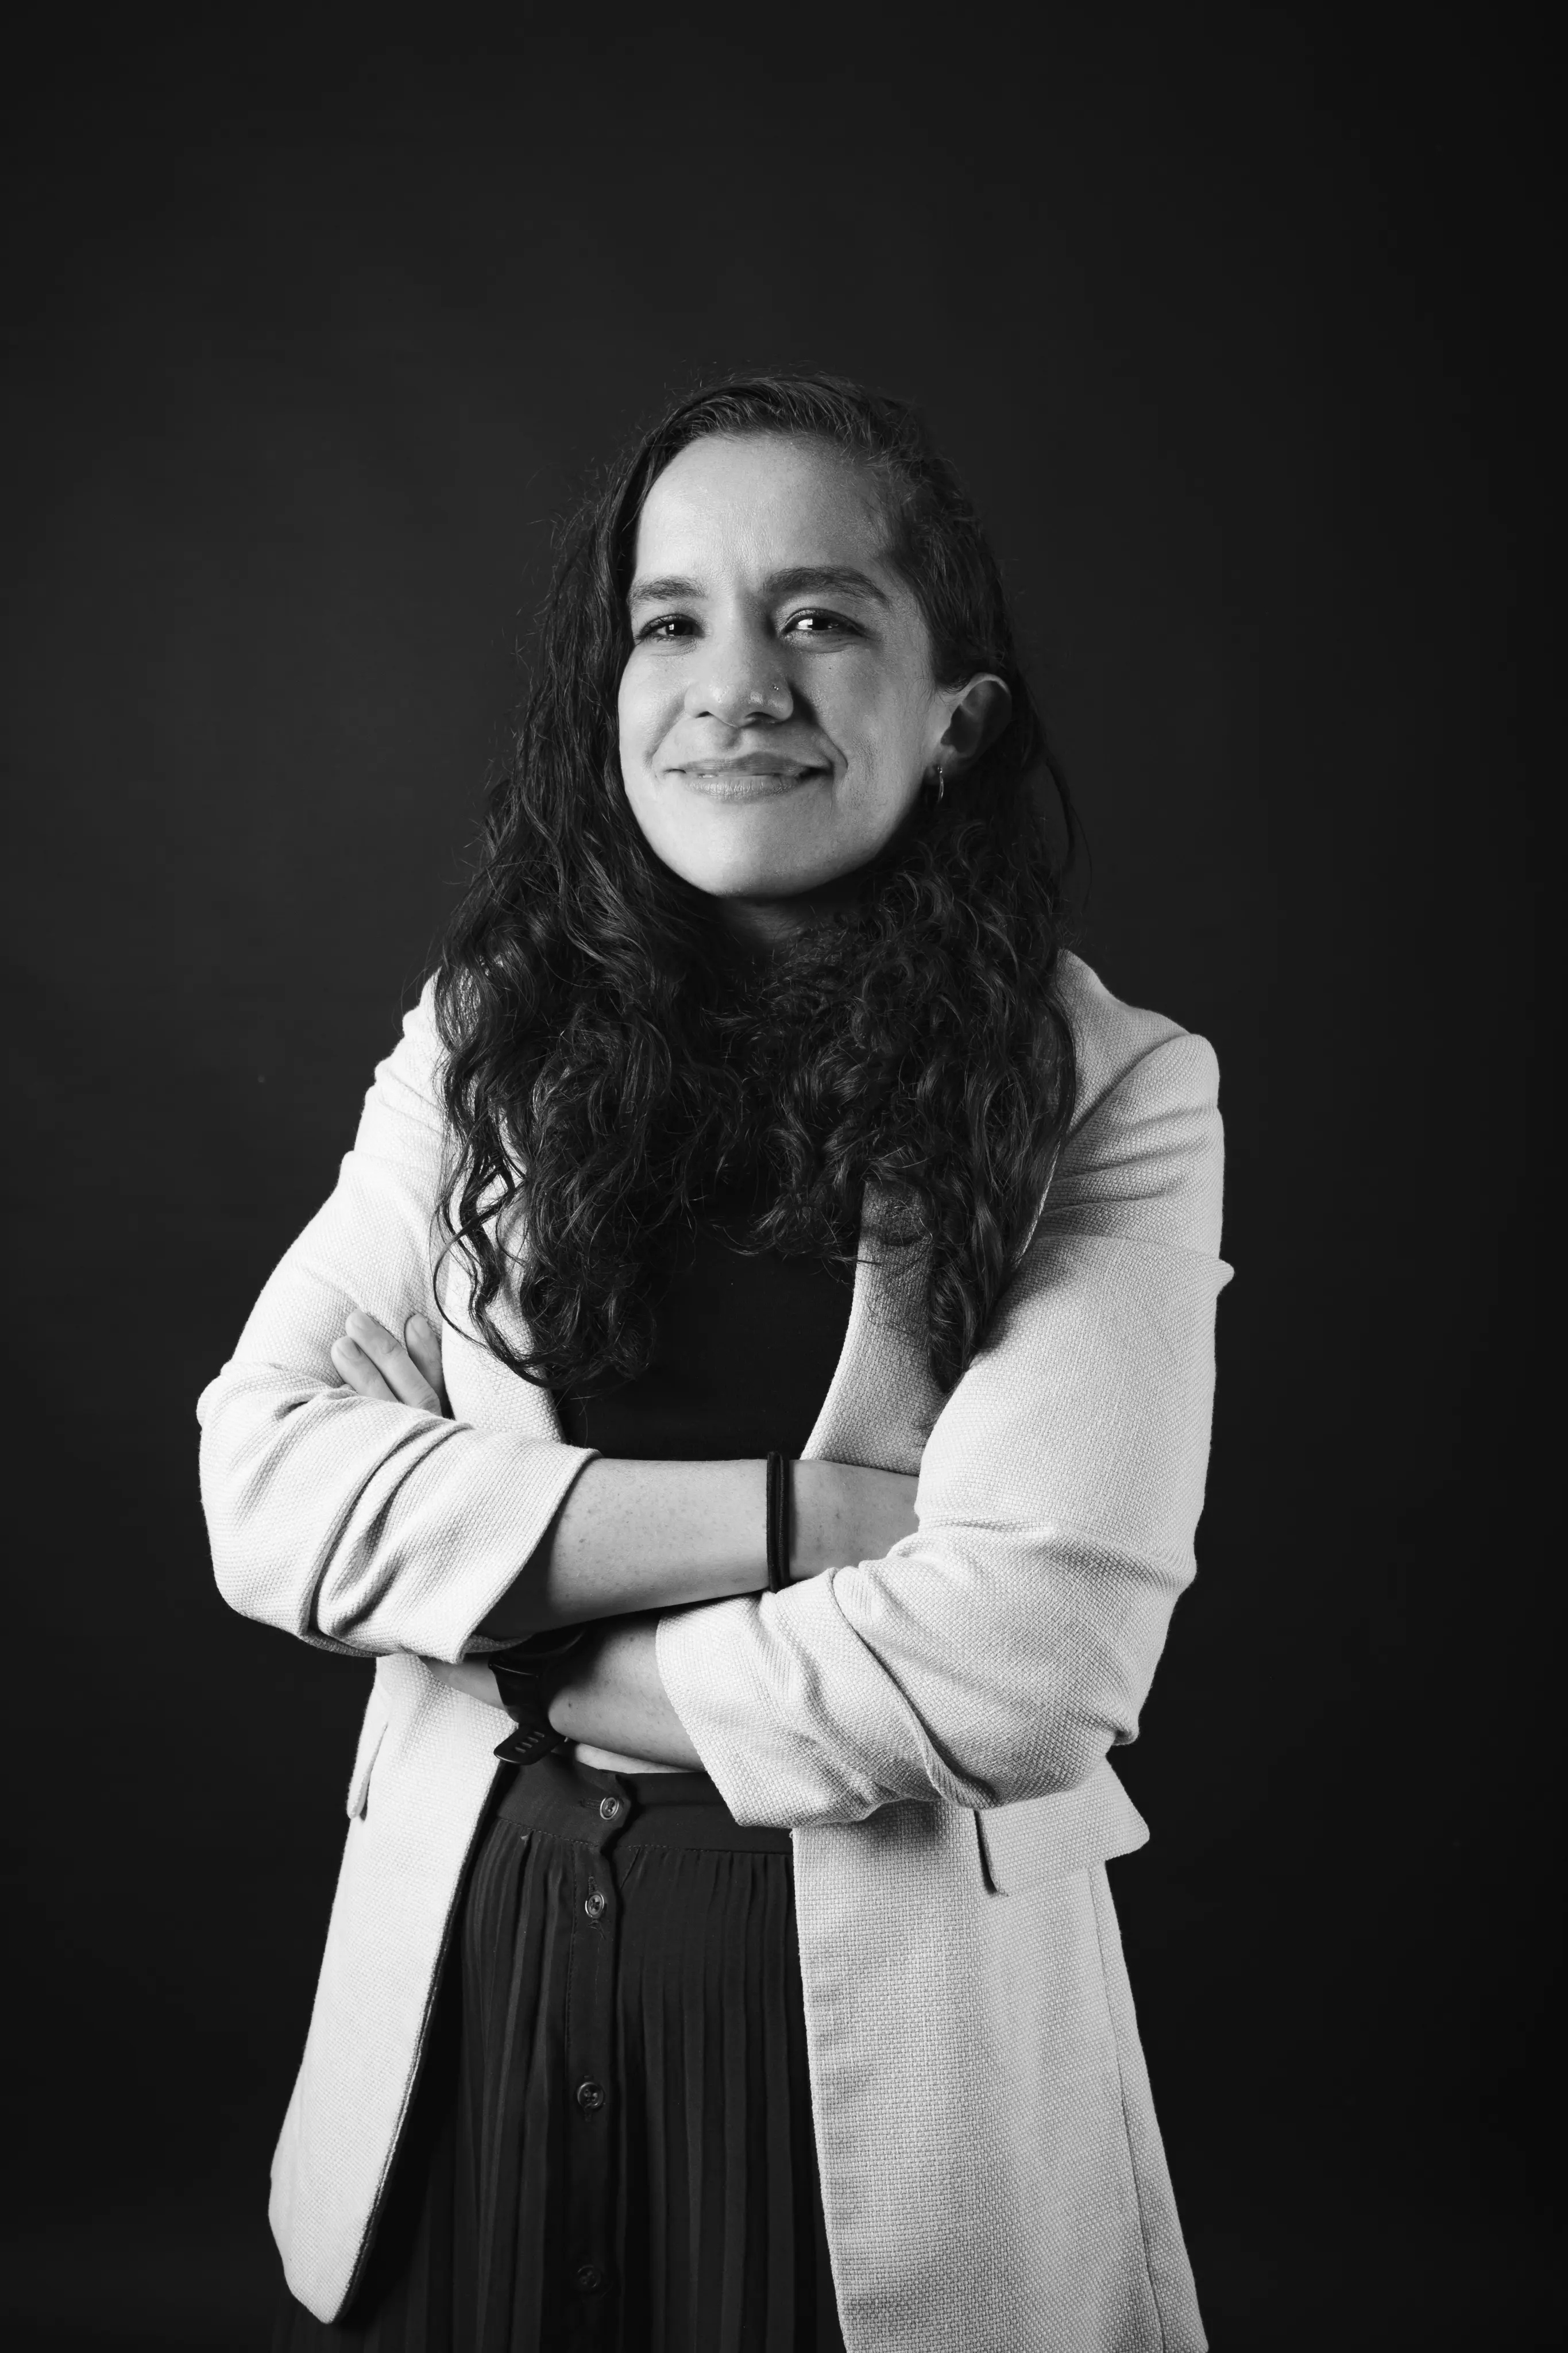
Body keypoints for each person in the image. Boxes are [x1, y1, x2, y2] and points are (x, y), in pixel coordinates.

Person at [198, 371, 1229, 2353]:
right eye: (672, 621)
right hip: (470, 2003)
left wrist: (526, 1643)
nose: (733, 682)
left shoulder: (1114, 1091)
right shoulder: (474, 1039)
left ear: (958, 719)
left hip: (897, 2077)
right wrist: (790, 1516)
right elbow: (263, 1473)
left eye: (821, 618)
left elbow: (1035, 1652)